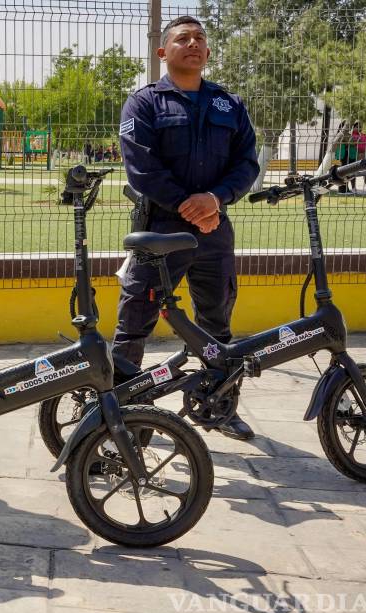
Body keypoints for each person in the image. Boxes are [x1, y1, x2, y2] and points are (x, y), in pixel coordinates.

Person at [115, 15, 259, 440]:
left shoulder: (228, 105)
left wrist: (214, 201)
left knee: (216, 320)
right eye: (183, 38)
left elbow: (246, 164)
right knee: (135, 321)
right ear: (164, 52)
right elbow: (142, 168)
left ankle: (219, 406)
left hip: (214, 229)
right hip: (160, 230)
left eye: (200, 38)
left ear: (208, 53)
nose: (193, 43)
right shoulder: (144, 103)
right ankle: (126, 414)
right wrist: (187, 204)